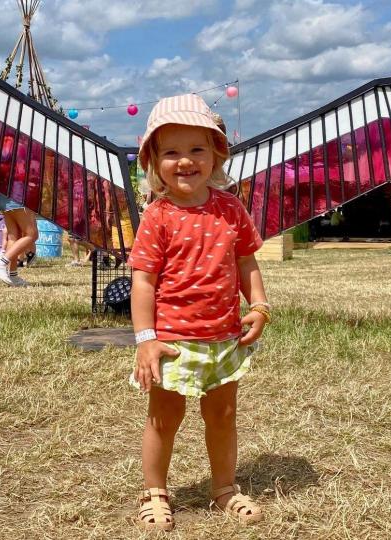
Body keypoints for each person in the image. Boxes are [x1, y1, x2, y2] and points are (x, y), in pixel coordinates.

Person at [126, 94, 270, 531]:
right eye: (171, 151)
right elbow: (143, 282)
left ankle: (223, 487)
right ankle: (155, 491)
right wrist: (145, 339)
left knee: (223, 416)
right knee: (163, 418)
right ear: (154, 160)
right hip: (171, 341)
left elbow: (246, 261)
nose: (185, 161)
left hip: (223, 336)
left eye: (197, 150)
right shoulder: (158, 215)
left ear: (216, 154)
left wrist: (259, 304)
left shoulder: (230, 209)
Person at [0, 192, 37, 286]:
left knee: (13, 237)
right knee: (32, 234)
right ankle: (1, 264)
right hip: (18, 197)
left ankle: (13, 276)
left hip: (3, 198)